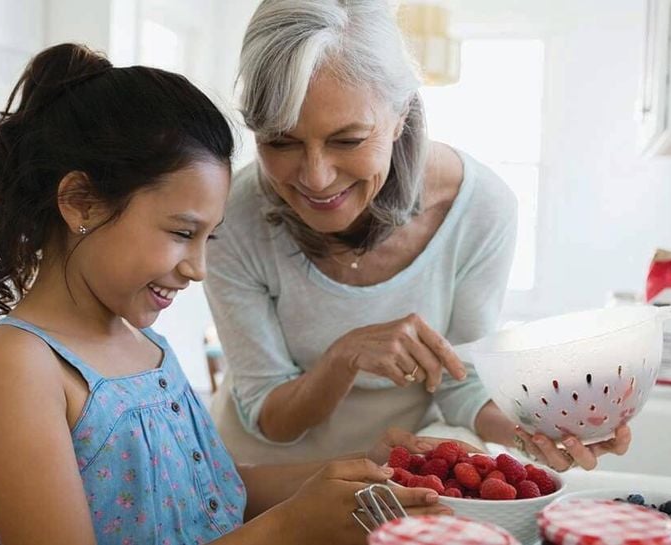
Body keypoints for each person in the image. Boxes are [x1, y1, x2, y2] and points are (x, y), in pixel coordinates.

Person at [0, 43, 452, 545]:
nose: (198, 268)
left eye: (207, 238)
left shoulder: (144, 347)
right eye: (181, 232)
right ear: (81, 203)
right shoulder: (20, 365)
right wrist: (287, 527)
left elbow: (215, 492)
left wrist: (362, 470)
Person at [205, 0, 631, 471]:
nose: (317, 177)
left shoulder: (479, 209)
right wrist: (344, 356)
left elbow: (461, 382)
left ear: (401, 115)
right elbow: (269, 415)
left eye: (347, 140)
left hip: (399, 470)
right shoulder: (232, 214)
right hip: (263, 474)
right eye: (280, 142)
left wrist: (543, 431)